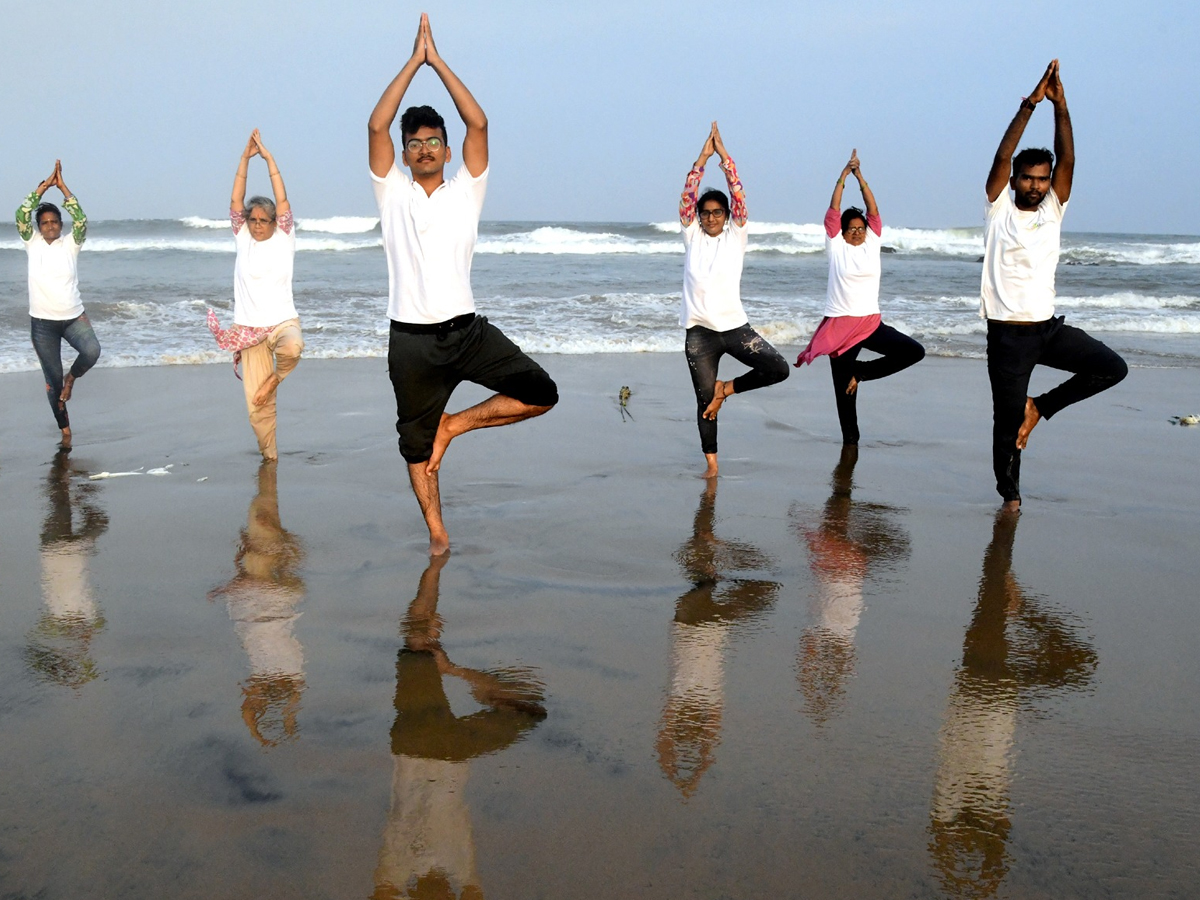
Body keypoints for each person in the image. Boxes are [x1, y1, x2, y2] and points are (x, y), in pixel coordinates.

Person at [369, 14, 557, 555]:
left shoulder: (466, 190)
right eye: (415, 143)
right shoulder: (393, 193)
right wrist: (412, 62)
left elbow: (479, 124)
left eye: (433, 141)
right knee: (413, 450)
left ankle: (453, 426)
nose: (424, 148)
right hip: (410, 341)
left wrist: (437, 61)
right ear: (405, 154)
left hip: (466, 331)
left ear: (447, 152)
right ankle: (437, 535)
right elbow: (375, 127)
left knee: (542, 393)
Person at [982, 60, 1127, 510]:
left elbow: (1069, 158)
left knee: (1111, 368)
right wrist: (1031, 103)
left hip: (1047, 329)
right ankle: (1012, 499)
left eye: (1042, 180)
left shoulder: (1053, 208)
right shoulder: (998, 207)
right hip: (1007, 335)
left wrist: (1061, 106)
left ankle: (1039, 407)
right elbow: (1002, 155)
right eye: (1027, 178)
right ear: (1014, 180)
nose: (1035, 185)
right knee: (1005, 427)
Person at [679, 122, 789, 477]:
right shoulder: (692, 235)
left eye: (717, 212)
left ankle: (727, 388)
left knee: (777, 368)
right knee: (703, 401)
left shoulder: (736, 235)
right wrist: (702, 158)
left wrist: (724, 157)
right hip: (699, 333)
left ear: (726, 216)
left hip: (735, 328)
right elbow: (686, 194)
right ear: (698, 216)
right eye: (705, 212)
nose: (711, 217)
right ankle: (711, 464)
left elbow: (739, 195)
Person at [795, 150, 924, 445]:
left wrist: (860, 177)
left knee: (913, 351)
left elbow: (874, 210)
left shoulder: (873, 242)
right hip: (840, 330)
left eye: (860, 228)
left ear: (867, 230)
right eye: (850, 229)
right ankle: (848, 458)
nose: (856, 232)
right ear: (841, 232)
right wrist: (842, 175)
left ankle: (862, 371)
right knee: (845, 405)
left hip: (869, 325)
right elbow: (833, 208)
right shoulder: (836, 246)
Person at [207, 129, 303, 461]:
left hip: (281, 322)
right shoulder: (242, 237)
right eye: (253, 219)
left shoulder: (285, 236)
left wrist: (269, 159)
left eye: (264, 219)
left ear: (276, 222)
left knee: (293, 347)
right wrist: (244, 160)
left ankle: (274, 379)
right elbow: (235, 200)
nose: (258, 224)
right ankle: (270, 459)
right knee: (255, 410)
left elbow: (284, 198)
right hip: (249, 331)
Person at [16, 160, 101, 449]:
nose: (50, 225)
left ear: (60, 225)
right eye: (44, 222)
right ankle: (65, 431)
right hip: (42, 325)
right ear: (38, 227)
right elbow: (21, 213)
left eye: (54, 221)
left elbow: (82, 219)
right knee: (52, 382)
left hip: (74, 318)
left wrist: (63, 187)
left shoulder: (71, 243)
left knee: (92, 351)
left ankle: (72, 378)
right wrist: (41, 189)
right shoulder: (33, 243)